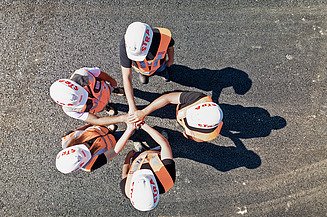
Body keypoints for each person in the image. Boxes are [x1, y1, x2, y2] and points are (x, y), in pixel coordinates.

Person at [120, 22, 175, 114]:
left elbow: (170, 47)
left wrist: (171, 60)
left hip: (160, 64)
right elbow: (126, 77)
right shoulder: (127, 45)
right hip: (142, 69)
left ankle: (162, 72)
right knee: (144, 77)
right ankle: (145, 75)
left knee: (162, 69)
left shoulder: (164, 36)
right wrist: (132, 106)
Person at [120, 122, 175, 211]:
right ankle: (155, 145)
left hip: (138, 159)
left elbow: (125, 174)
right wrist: (143, 124)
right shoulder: (167, 179)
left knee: (141, 153)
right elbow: (164, 144)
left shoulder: (126, 189)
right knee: (164, 145)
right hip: (156, 155)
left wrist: (128, 157)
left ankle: (141, 150)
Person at [129, 91, 224, 142]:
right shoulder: (197, 98)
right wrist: (144, 112)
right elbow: (168, 98)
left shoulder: (209, 133)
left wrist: (189, 136)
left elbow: (199, 139)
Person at [50, 67, 126, 126]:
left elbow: (101, 74)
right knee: (101, 107)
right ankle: (106, 106)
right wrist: (122, 118)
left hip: (106, 89)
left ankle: (115, 89)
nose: (86, 99)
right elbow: (96, 120)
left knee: (112, 87)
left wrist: (112, 81)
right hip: (98, 105)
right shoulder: (69, 110)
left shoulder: (83, 74)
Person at [56, 123, 136, 173]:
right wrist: (128, 131)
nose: (87, 145)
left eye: (81, 147)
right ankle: (132, 135)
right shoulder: (90, 165)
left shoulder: (66, 140)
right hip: (112, 141)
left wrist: (94, 122)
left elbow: (79, 129)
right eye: (86, 150)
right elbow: (114, 152)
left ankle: (109, 130)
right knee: (130, 134)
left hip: (98, 130)